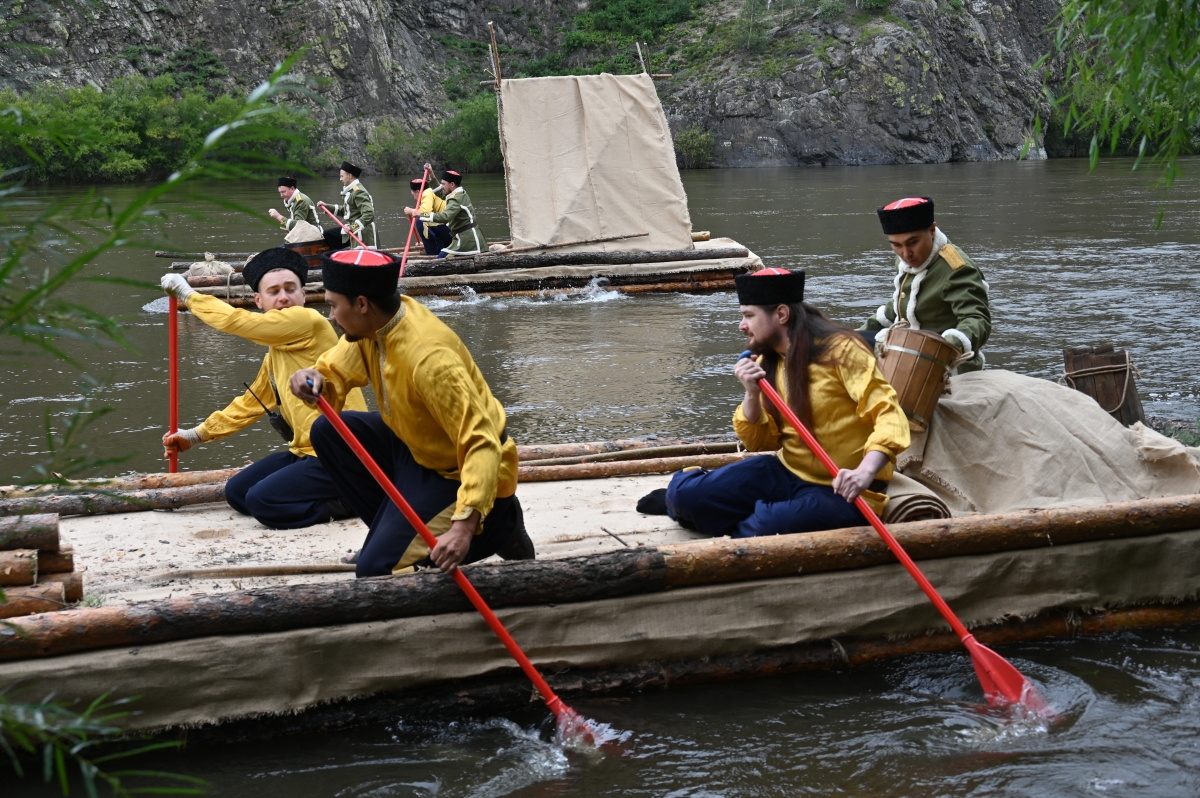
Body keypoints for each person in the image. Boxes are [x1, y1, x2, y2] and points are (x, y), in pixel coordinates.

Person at [289, 248, 534, 576]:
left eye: (333, 305)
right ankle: (389, 533)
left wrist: (462, 527)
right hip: (415, 449)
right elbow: (335, 369)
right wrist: (314, 378)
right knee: (329, 432)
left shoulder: (430, 359)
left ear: (362, 304)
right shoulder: (374, 324)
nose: (330, 316)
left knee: (375, 570)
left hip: (456, 471)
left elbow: (481, 442)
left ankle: (496, 525)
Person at [640, 268, 911, 538]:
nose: (741, 325)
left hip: (845, 488)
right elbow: (761, 442)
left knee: (770, 527)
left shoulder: (842, 350)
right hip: (787, 470)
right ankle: (705, 506)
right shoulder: (766, 360)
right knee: (686, 496)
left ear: (781, 314)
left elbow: (889, 413)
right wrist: (751, 394)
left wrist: (864, 472)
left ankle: (735, 518)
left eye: (749, 316)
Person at [159, 248, 367, 529]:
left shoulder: (310, 322)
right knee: (238, 493)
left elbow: (238, 322)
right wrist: (196, 435)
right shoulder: (276, 354)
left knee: (263, 503)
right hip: (305, 450)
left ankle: (358, 499)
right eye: (275, 291)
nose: (284, 297)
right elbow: (251, 403)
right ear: (259, 300)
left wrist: (189, 296)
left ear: (303, 295)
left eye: (291, 289)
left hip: (343, 452)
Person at [860, 196, 991, 372]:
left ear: (932, 230)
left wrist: (944, 348)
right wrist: (857, 332)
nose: (906, 254)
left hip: (941, 364)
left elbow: (977, 319)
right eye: (896, 245)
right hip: (903, 347)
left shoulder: (957, 269)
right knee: (843, 344)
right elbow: (901, 303)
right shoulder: (907, 260)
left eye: (912, 243)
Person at [403, 167, 485, 257]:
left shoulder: (456, 199)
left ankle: (433, 252)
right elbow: (440, 193)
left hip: (467, 241)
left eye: (444, 184)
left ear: (452, 184)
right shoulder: (456, 193)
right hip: (459, 236)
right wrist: (431, 174)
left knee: (440, 260)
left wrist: (420, 213)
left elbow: (445, 217)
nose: (442, 186)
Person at [318, 161, 377, 250]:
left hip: (363, 234)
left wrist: (352, 228)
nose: (340, 179)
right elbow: (347, 210)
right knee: (328, 235)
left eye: (342, 176)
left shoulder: (358, 191)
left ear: (350, 175)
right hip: (354, 231)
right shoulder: (352, 191)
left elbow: (369, 214)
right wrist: (328, 207)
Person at [408, 175, 452, 256]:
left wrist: (411, 211)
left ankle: (432, 254)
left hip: (450, 230)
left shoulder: (427, 192)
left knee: (420, 221)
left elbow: (425, 213)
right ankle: (432, 247)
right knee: (424, 222)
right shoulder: (431, 192)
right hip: (447, 230)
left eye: (413, 194)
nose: (414, 198)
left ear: (418, 192)